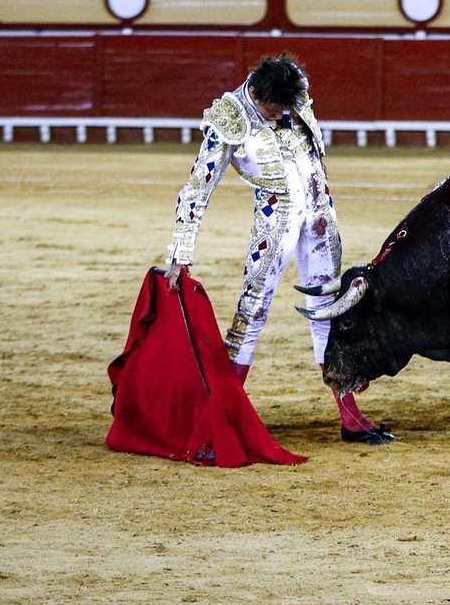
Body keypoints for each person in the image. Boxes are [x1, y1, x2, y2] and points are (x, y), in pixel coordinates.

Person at [165, 54, 388, 444]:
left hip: (320, 214)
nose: (281, 115)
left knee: (329, 310)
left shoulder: (292, 98)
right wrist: (181, 252)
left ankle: (350, 416)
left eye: (287, 108)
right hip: (276, 222)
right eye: (274, 109)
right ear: (256, 94)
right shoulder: (229, 119)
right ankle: (224, 416)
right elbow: (197, 189)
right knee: (253, 310)